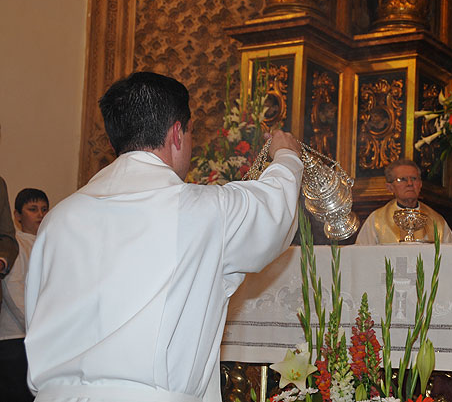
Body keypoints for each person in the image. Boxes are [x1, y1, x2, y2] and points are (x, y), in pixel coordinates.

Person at [24, 72, 303, 402]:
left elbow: (35, 317)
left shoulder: (58, 219)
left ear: (115, 142)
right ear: (177, 134)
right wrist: (286, 155)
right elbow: (274, 208)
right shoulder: (204, 211)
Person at [0, 188, 48, 401]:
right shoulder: (16, 244)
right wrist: (33, 328)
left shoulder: (44, 242)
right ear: (17, 216)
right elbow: (13, 290)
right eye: (33, 209)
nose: (40, 214)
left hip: (34, 333)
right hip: (15, 337)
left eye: (45, 209)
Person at [356, 159, 452, 244]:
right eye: (402, 179)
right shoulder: (376, 220)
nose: (410, 183)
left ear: (420, 184)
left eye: (414, 178)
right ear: (390, 187)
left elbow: (451, 257)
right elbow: (363, 256)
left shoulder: (437, 221)